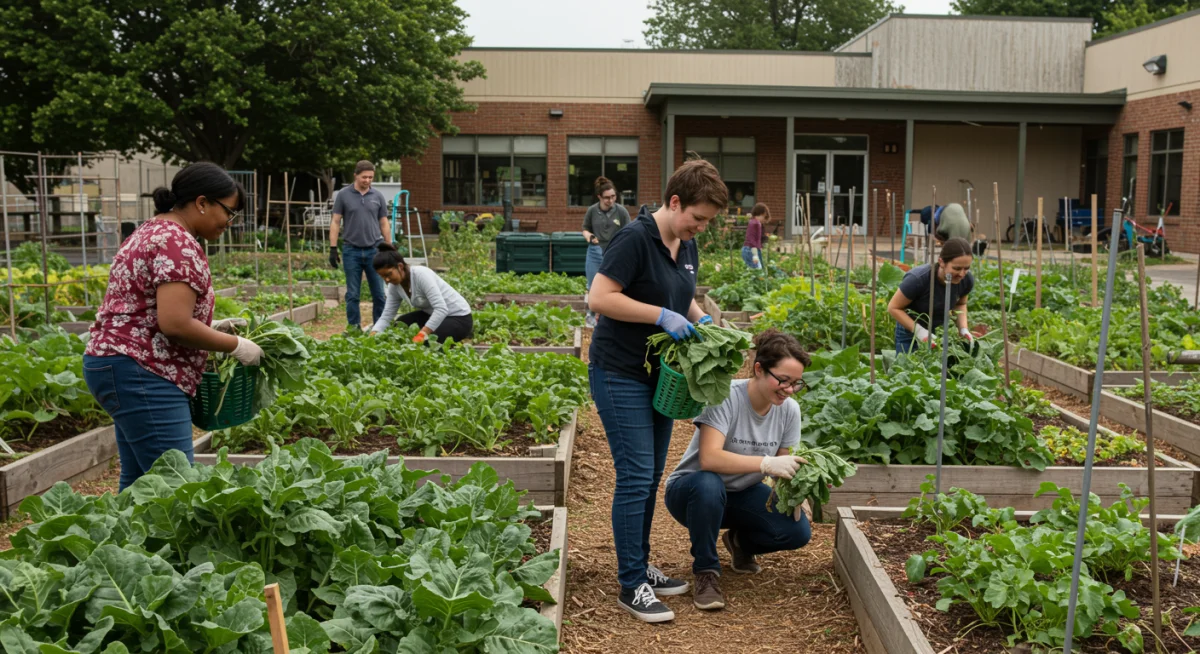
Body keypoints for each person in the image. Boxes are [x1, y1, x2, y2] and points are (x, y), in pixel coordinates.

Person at [588, 159, 727, 623]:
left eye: (707, 221)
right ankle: (631, 585)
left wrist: (696, 315)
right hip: (620, 370)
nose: (701, 228)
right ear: (674, 202)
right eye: (698, 218)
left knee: (648, 477)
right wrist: (659, 316)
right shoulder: (634, 237)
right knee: (634, 476)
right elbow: (600, 298)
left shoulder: (683, 244)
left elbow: (680, 291)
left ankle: (640, 565)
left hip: (659, 376)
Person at [83, 162, 264, 491]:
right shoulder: (177, 243)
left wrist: (213, 325)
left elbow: (149, 306)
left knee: (141, 482)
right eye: (229, 212)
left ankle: (128, 543)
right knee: (177, 489)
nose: (230, 222)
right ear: (202, 203)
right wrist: (236, 346)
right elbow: (175, 324)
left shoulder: (153, 230)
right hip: (144, 372)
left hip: (118, 364)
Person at [664, 329, 814, 611]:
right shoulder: (725, 396)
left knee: (796, 532)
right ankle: (706, 572)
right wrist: (766, 464)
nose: (789, 390)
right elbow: (709, 459)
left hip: (741, 492)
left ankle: (739, 542)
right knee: (709, 484)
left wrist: (798, 491)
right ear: (759, 368)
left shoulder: (789, 410)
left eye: (796, 383)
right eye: (783, 380)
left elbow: (784, 466)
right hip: (692, 492)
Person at [330, 160, 391, 331]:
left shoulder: (377, 196)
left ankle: (379, 328)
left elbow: (384, 222)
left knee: (379, 294)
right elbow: (335, 221)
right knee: (353, 295)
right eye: (364, 177)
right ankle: (354, 329)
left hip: (374, 249)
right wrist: (333, 248)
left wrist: (389, 246)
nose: (367, 180)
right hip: (351, 250)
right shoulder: (343, 195)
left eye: (371, 177)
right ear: (355, 175)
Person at [887, 237, 975, 354]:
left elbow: (960, 304)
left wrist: (963, 329)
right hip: (909, 329)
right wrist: (919, 331)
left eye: (966, 268)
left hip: (936, 329)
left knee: (932, 369)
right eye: (957, 268)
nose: (962, 274)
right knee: (907, 369)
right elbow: (893, 308)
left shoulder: (966, 280)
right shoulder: (918, 279)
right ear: (941, 262)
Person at [370, 243, 473, 342]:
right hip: (433, 314)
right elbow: (387, 315)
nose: (386, 280)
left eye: (389, 274)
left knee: (430, 341)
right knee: (401, 324)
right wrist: (373, 334)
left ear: (400, 266)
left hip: (459, 318)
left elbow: (441, 309)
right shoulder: (394, 285)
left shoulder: (421, 275)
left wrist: (422, 334)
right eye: (382, 276)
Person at [581, 176, 631, 328]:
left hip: (615, 252)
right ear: (599, 197)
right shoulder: (592, 211)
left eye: (613, 196)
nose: (611, 200)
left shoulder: (621, 211)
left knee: (616, 285)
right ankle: (591, 316)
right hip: (595, 251)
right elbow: (585, 229)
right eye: (607, 198)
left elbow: (629, 232)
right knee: (593, 284)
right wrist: (589, 236)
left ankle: (613, 315)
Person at [742, 203, 770, 269]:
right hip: (751, 250)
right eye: (764, 216)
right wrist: (755, 254)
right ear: (761, 214)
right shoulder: (757, 223)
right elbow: (753, 239)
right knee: (757, 271)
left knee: (752, 270)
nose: (764, 219)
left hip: (746, 249)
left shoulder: (751, 221)